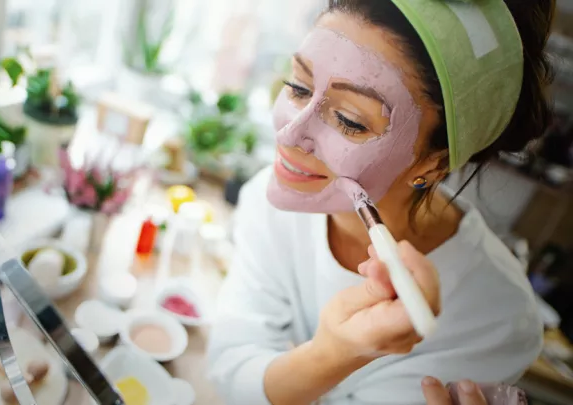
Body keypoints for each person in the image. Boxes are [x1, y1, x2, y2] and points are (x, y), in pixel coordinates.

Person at [206, 0, 555, 404]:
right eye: (298, 87)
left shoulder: (498, 317)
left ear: (432, 162)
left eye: (350, 121)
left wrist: (329, 357)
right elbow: (232, 371)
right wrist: (332, 354)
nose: (288, 134)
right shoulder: (273, 203)